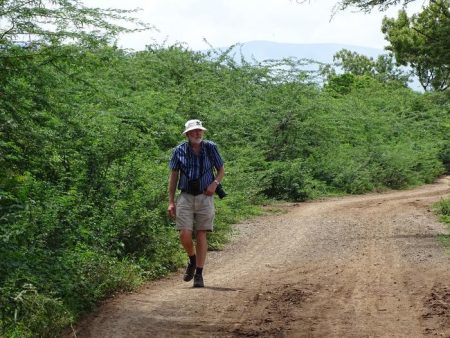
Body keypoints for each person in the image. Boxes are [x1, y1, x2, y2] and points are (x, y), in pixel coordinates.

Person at [167, 119, 225, 288]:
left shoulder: (211, 147)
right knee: (184, 234)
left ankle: (199, 273)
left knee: (201, 234)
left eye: (199, 131)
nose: (197, 133)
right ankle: (192, 259)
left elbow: (221, 170)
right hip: (185, 196)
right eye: (193, 131)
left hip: (205, 196)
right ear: (187, 134)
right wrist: (171, 201)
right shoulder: (179, 151)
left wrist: (214, 184)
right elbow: (173, 177)